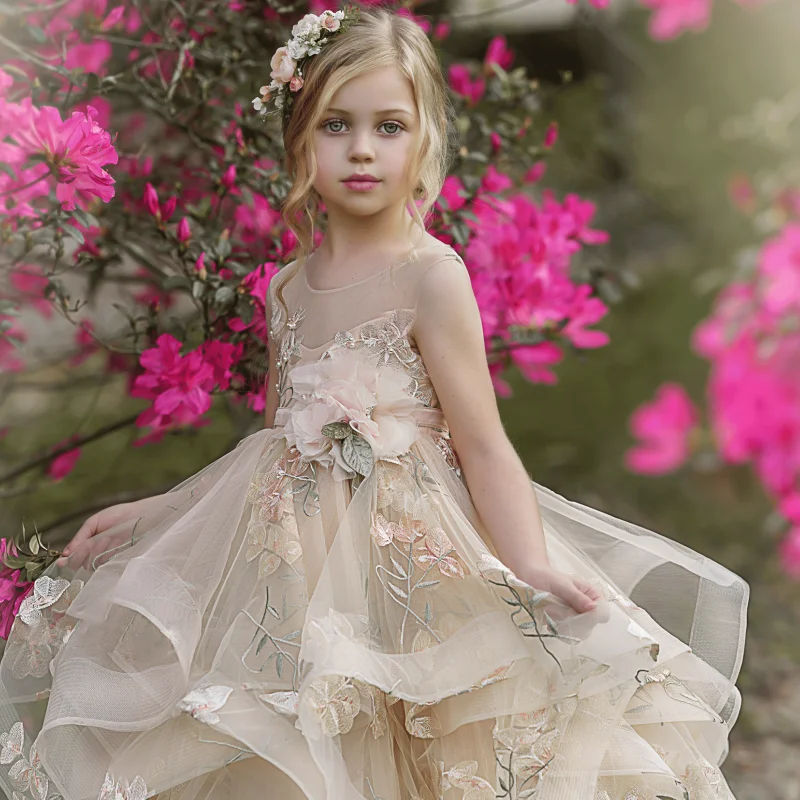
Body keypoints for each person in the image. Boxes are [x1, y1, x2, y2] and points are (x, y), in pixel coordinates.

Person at [0, 8, 748, 800]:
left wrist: (527, 560)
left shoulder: (431, 277)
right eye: (336, 125)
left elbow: (483, 443)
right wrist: (157, 513)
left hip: (416, 562)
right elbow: (274, 443)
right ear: (299, 140)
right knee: (315, 744)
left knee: (435, 736)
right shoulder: (286, 289)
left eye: (389, 125)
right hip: (297, 573)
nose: (362, 149)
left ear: (423, 137)